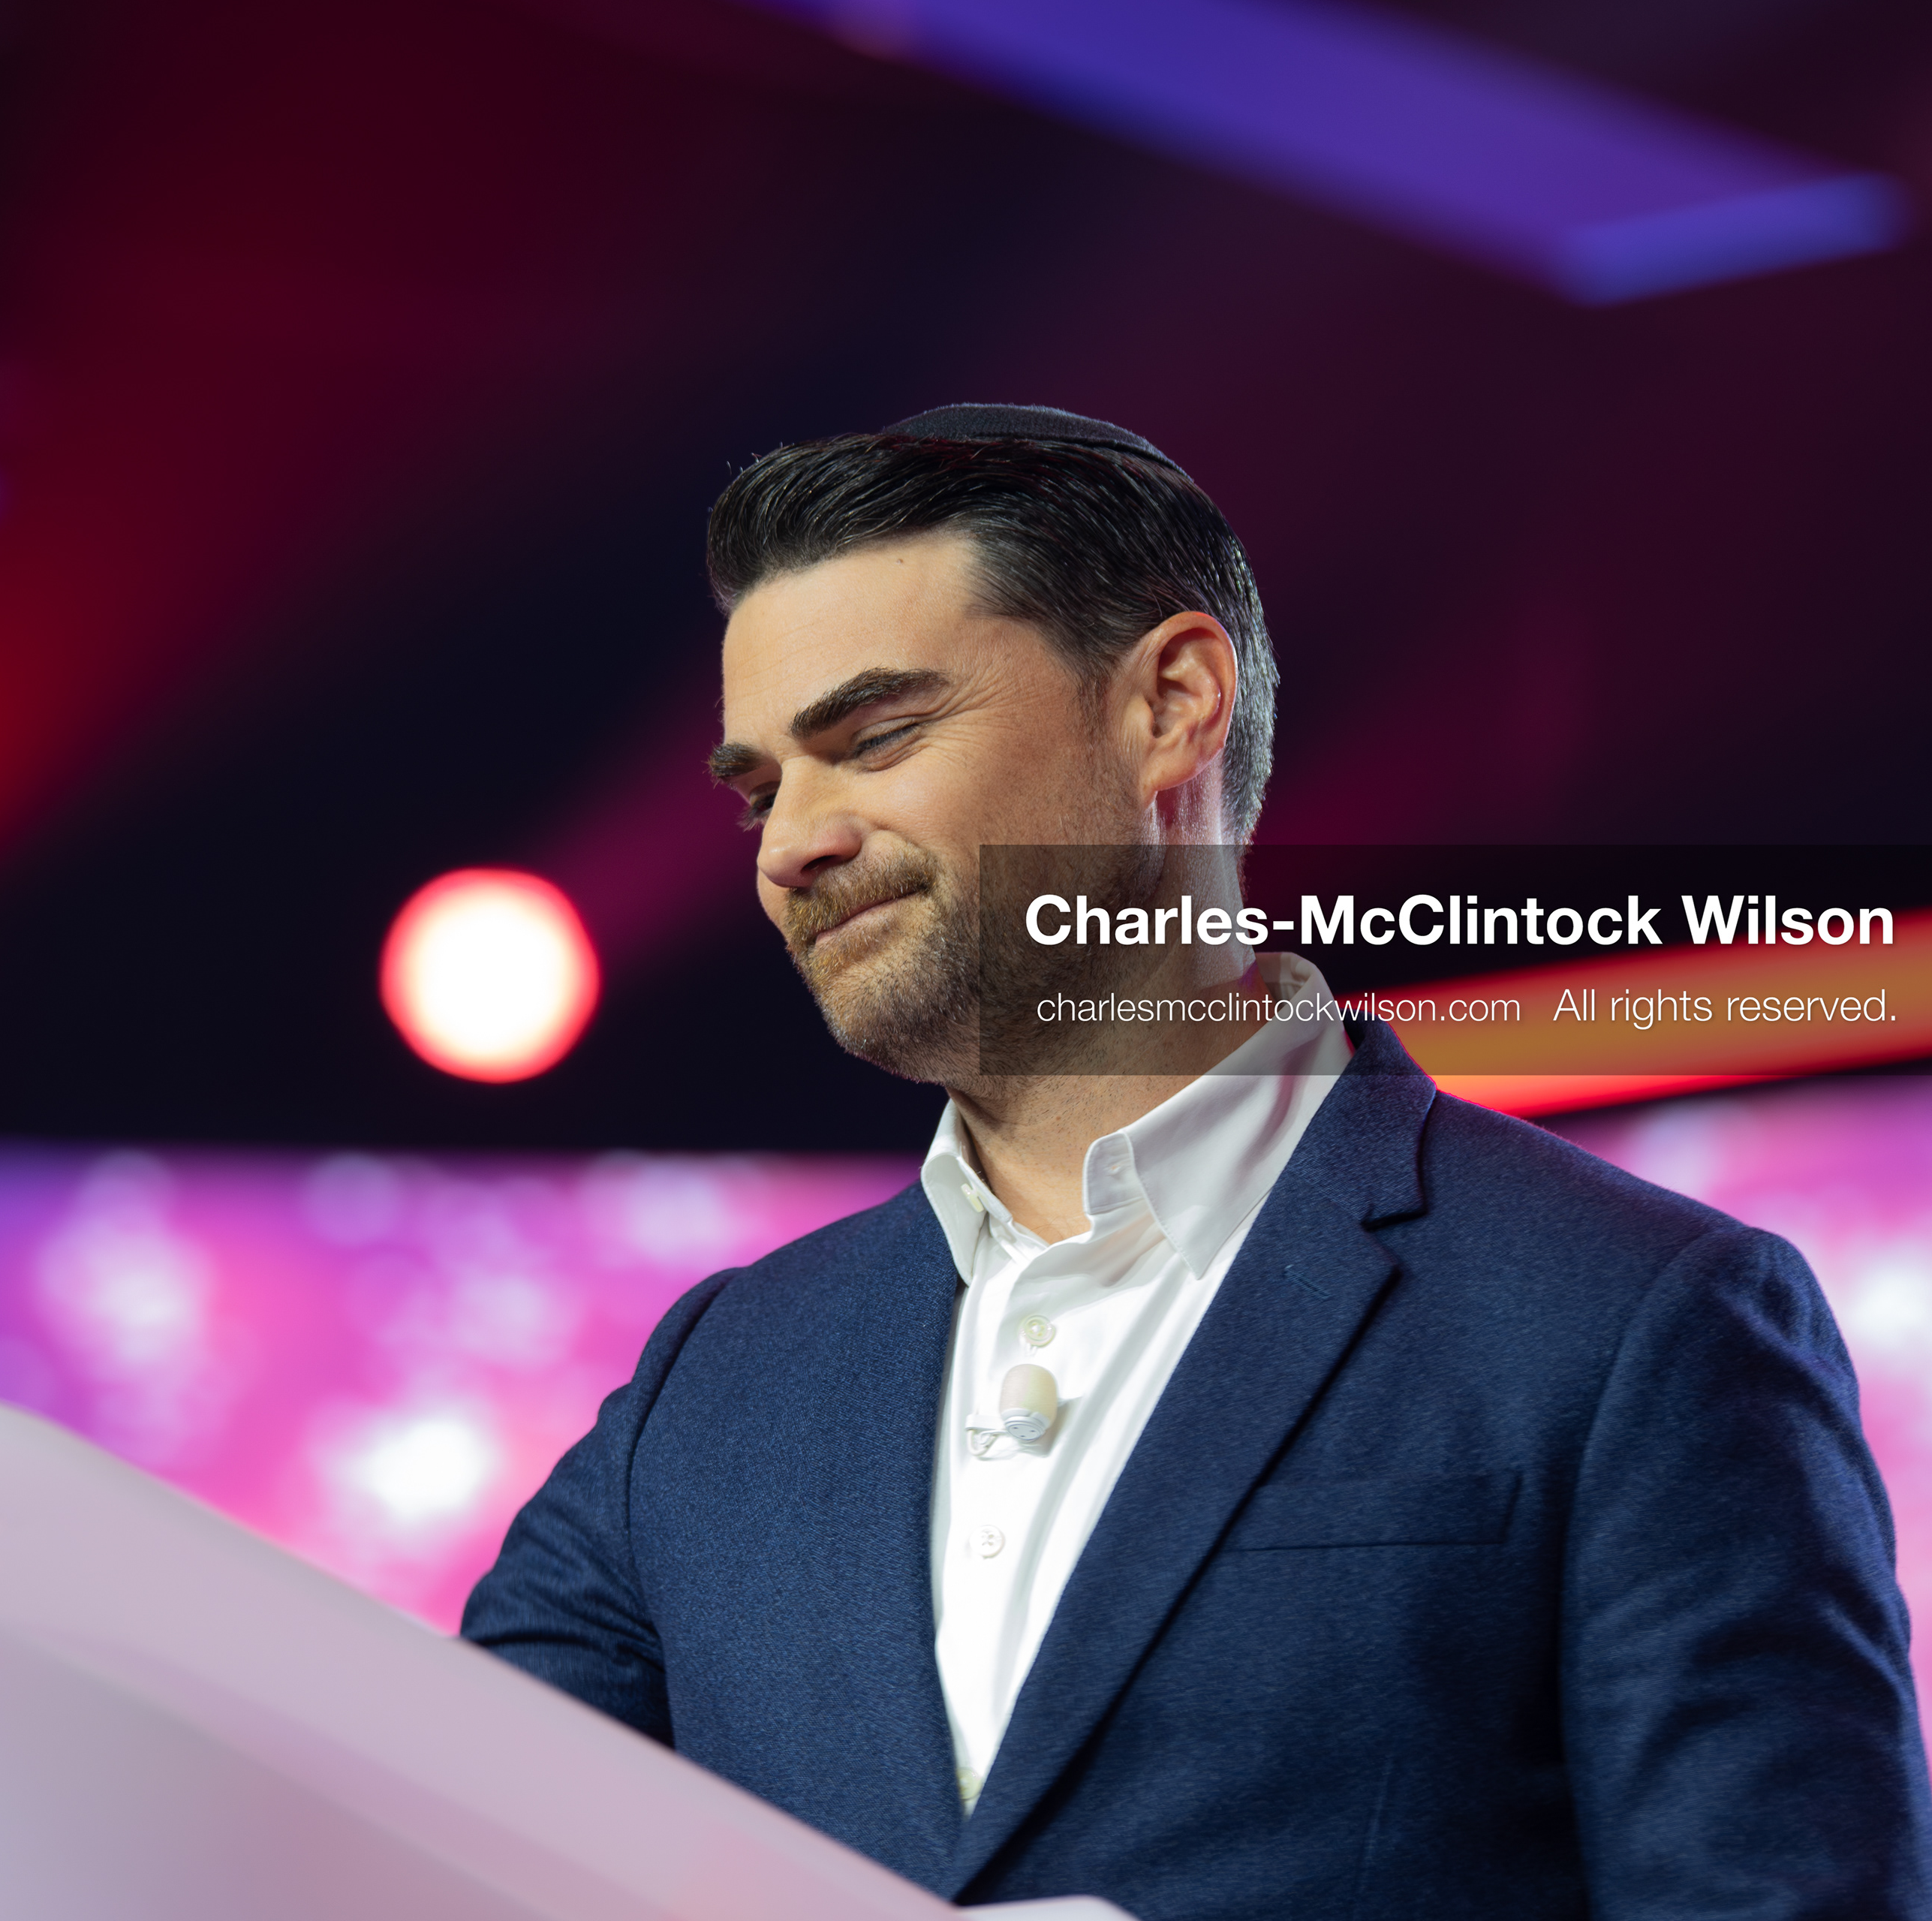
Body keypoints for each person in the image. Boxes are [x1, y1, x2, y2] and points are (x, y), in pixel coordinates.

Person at [459, 404, 1931, 1919]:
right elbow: (412, 1822)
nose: (790, 846)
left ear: (1170, 705)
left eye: (876, 738)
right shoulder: (715, 1381)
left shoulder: (1637, 1315)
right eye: (762, 792)